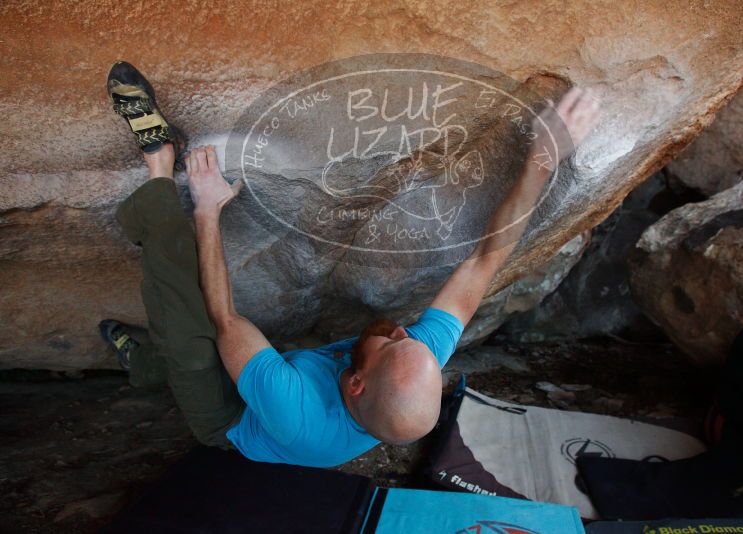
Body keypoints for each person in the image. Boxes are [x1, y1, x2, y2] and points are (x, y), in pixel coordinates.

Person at [100, 61, 601, 467]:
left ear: (358, 385)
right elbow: (484, 261)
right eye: (415, 343)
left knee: (185, 335)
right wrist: (543, 160)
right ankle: (144, 364)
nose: (406, 332)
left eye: (394, 343)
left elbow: (223, 318)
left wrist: (208, 209)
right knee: (170, 351)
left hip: (230, 420)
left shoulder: (294, 412)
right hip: (307, 379)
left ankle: (160, 161)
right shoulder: (411, 365)